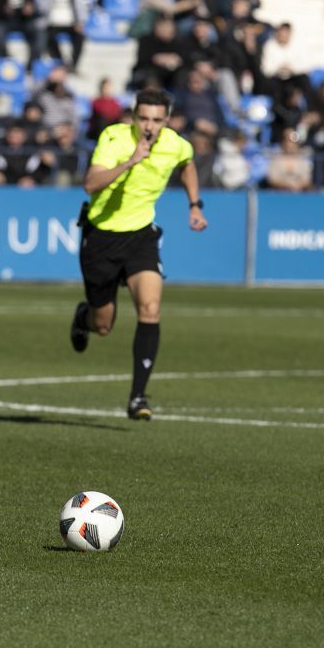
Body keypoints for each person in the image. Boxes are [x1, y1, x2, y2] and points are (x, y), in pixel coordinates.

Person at [68, 88, 207, 420]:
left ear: (167, 120)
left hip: (141, 237)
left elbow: (186, 165)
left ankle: (137, 398)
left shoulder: (176, 144)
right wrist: (131, 161)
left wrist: (195, 205)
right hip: (101, 237)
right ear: (133, 117)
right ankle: (83, 317)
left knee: (150, 307)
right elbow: (90, 183)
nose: (149, 126)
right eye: (143, 118)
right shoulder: (114, 139)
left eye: (157, 120)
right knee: (103, 325)